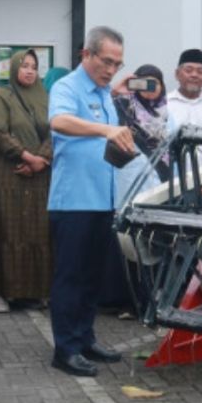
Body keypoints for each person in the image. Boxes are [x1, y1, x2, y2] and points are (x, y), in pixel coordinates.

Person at [47, 26, 132, 376]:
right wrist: (106, 130)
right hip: (73, 202)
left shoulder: (103, 94)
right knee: (70, 277)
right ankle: (65, 349)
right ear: (87, 54)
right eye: (106, 61)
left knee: (92, 277)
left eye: (118, 63)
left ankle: (85, 338)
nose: (111, 70)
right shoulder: (67, 87)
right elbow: (59, 121)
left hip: (102, 200)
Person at [0, 50, 52, 313]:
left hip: (38, 176)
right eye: (24, 66)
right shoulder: (1, 95)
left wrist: (40, 160)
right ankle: (0, 293)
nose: (29, 71)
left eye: (34, 66)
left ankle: (31, 291)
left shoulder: (46, 98)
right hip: (6, 172)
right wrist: (25, 155)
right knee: (5, 227)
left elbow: (56, 132)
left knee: (35, 230)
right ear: (14, 68)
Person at [112, 63, 176, 201]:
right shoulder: (120, 108)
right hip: (129, 187)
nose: (149, 87)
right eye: (144, 82)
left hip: (162, 186)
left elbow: (173, 150)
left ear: (162, 86)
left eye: (154, 83)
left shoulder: (168, 116)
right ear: (135, 84)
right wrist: (114, 92)